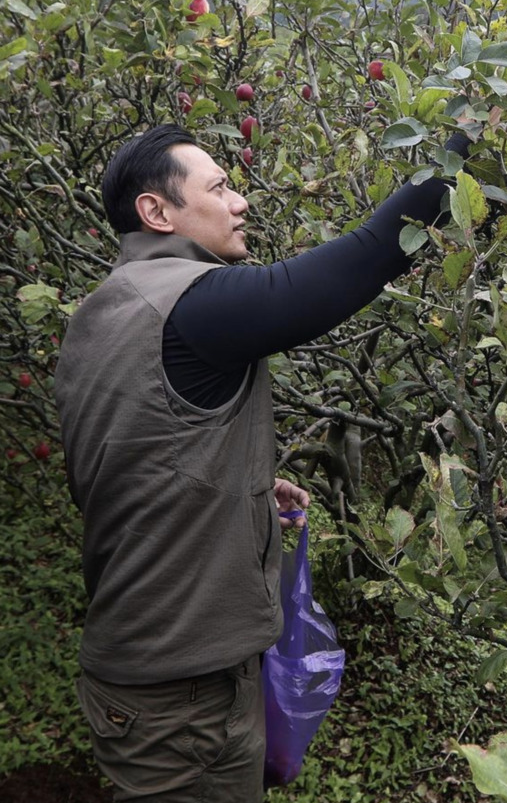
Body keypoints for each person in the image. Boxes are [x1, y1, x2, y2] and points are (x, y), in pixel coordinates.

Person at [53, 122, 473, 802]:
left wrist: (239, 484)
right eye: (218, 187)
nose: (241, 201)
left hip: (166, 670)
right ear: (157, 212)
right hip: (177, 695)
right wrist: (459, 145)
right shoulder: (189, 305)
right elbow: (363, 257)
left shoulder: (104, 311)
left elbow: (136, 447)